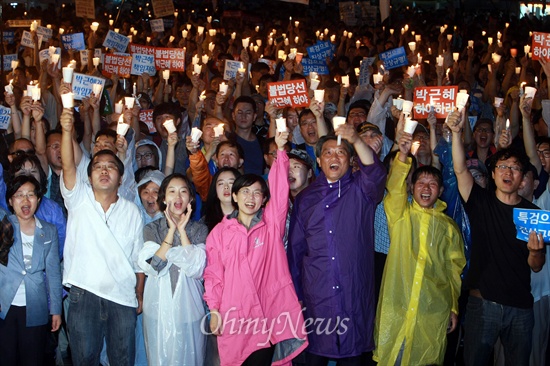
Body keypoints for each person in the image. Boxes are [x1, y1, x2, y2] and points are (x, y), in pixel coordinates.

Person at [448, 109, 545, 366]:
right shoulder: (480, 202)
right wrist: (457, 134)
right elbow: (460, 170)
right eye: (502, 166)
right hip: (483, 306)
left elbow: (537, 265)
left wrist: (535, 252)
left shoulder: (533, 214)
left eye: (515, 168)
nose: (508, 172)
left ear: (523, 177)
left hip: (520, 308)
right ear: (493, 174)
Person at [203, 130, 308, 366]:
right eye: (245, 192)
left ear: (263, 199)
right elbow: (213, 274)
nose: (251, 198)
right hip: (234, 316)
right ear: (236, 197)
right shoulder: (219, 233)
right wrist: (215, 310)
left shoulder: (270, 226)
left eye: (257, 193)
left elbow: (280, 193)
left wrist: (281, 153)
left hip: (267, 314)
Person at [287, 125, 386, 365]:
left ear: (351, 160)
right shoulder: (305, 198)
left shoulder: (362, 190)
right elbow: (296, 252)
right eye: (328, 153)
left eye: (341, 152)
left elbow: (375, 173)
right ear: (319, 160)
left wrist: (354, 139)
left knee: (352, 356)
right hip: (317, 294)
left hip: (353, 291)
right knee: (314, 355)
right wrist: (296, 295)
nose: (334, 157)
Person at [60, 107, 144, 366]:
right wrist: (66, 130)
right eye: (98, 167)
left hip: (122, 296)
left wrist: (139, 295)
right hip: (83, 293)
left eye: (111, 167)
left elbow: (138, 259)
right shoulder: (78, 199)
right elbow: (67, 164)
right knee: (85, 359)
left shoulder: (131, 211)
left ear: (120, 178)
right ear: (89, 175)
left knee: (122, 359)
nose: (104, 171)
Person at [374, 132, 465, 365]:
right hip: (397, 308)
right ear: (412, 187)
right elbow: (394, 188)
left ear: (441, 191)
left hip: (432, 310)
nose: (426, 188)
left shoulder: (449, 228)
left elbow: (453, 271)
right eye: (421, 183)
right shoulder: (400, 215)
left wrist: (453, 307)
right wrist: (403, 155)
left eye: (432, 184)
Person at [138, 173, 208, 365]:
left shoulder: (199, 230)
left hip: (190, 309)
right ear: (163, 199)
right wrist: (171, 230)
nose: (178, 198)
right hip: (158, 309)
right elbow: (154, 265)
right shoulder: (151, 229)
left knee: (190, 358)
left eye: (183, 192)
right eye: (172, 192)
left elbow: (196, 268)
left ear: (191, 199)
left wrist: (183, 231)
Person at [0, 175, 62, 365]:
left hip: (35, 306)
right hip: (5, 306)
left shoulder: (49, 230)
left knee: (33, 358)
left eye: (30, 195)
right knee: (6, 358)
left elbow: (53, 273)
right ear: (10, 201)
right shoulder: (3, 225)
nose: (25, 200)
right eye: (19, 195)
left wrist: (56, 310)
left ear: (39, 199)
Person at [201, 167, 242, 232]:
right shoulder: (205, 223)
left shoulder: (248, 219)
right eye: (221, 184)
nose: (226, 187)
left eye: (231, 183)